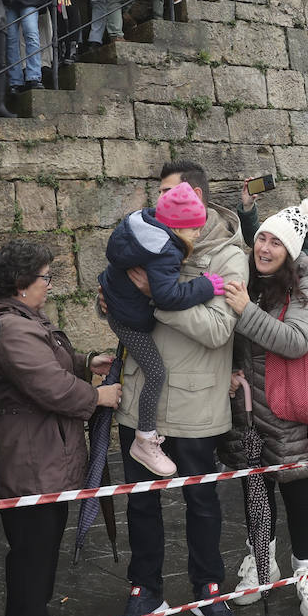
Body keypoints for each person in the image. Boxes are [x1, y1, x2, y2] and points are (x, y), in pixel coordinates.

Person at [112, 160, 246, 616]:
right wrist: (114, 303)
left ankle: (208, 589)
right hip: (141, 397)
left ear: (197, 199)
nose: (158, 204)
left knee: (202, 501)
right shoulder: (149, 238)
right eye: (159, 194)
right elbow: (115, 289)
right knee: (140, 503)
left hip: (196, 403)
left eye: (169, 193)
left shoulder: (229, 257)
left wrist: (157, 299)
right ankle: (144, 588)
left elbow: (217, 330)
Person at [0, 239, 120, 616]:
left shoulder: (22, 317)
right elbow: (49, 385)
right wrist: (97, 396)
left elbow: (51, 362)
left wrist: (87, 362)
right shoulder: (11, 327)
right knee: (32, 552)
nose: (49, 285)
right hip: (30, 460)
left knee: (42, 549)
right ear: (21, 283)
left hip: (42, 456)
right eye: (45, 278)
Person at [219, 199, 308, 616]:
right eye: (261, 239)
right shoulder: (243, 280)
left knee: (298, 492)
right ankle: (261, 564)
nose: (264, 248)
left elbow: (296, 340)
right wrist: (230, 369)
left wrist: (245, 310)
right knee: (256, 492)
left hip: (290, 410)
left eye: (275, 243)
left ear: (291, 251)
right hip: (247, 412)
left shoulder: (306, 288)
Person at [97, 181, 226, 477]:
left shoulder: (140, 227)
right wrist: (205, 286)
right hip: (129, 318)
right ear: (177, 227)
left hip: (119, 305)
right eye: (194, 229)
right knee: (156, 372)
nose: (198, 234)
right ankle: (144, 439)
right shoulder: (165, 250)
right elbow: (168, 297)